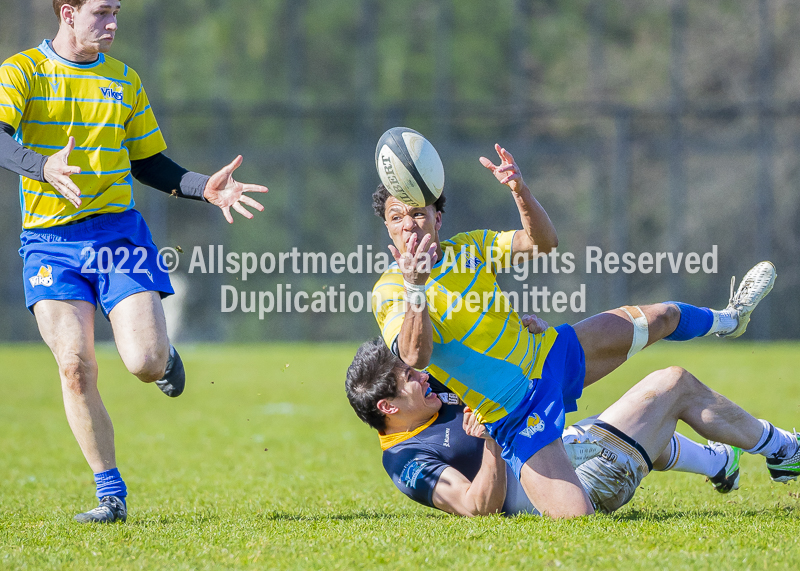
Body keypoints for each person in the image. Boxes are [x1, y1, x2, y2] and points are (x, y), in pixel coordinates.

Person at [370, 142, 776, 518]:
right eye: (396, 217)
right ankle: (681, 447)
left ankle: (730, 318)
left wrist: (519, 190)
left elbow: (543, 243)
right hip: (515, 408)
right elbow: (413, 357)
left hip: (550, 354)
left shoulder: (469, 247)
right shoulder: (389, 291)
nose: (409, 225)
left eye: (418, 212)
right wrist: (416, 288)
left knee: (662, 316)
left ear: (437, 218)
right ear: (387, 228)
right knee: (576, 517)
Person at [0, 0, 268, 523]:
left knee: (143, 363)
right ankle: (110, 493)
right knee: (75, 367)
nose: (113, 23)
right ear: (68, 12)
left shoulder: (123, 80)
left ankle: (165, 359)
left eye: (116, 12)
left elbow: (147, 163)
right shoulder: (22, 72)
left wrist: (201, 189)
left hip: (117, 233)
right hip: (49, 242)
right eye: (101, 12)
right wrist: (40, 166)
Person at [346, 338, 800, 517]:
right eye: (411, 378)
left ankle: (721, 463)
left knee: (634, 426)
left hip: (571, 446)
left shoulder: (435, 388)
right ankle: (784, 451)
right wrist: (489, 443)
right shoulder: (404, 458)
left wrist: (526, 335)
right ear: (387, 406)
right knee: (672, 384)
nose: (423, 375)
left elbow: (506, 372)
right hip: (572, 483)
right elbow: (474, 508)